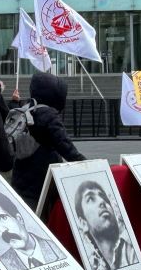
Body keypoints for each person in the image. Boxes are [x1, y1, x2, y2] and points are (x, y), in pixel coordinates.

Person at [12, 72, 86, 208]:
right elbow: (64, 144)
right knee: (45, 211)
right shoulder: (48, 114)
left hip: (21, 173)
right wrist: (84, 163)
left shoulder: (26, 109)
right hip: (43, 174)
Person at [0, 185, 64, 270]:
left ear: (19, 218)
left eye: (3, 218)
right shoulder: (1, 265)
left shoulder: (59, 249)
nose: (1, 229)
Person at [72, 180, 138, 270]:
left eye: (103, 196)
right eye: (90, 199)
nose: (102, 201)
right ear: (83, 223)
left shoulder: (132, 252)